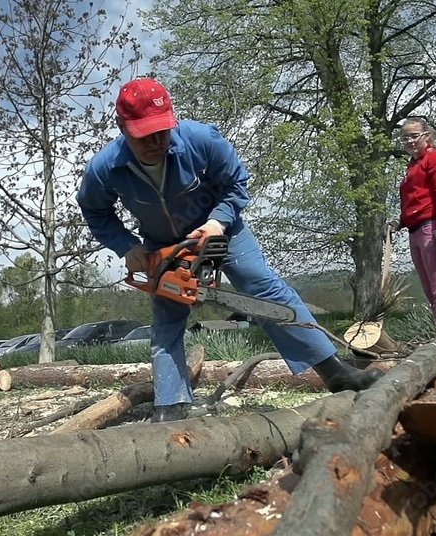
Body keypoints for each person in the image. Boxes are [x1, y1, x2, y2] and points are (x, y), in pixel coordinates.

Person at [77, 77, 384, 422]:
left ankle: (335, 371)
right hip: (164, 244)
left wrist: (217, 222)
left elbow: (236, 183)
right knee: (167, 318)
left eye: (161, 131)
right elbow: (95, 211)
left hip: (222, 229)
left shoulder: (201, 140)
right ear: (123, 127)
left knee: (261, 285)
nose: (156, 142)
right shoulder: (105, 168)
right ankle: (171, 404)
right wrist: (126, 246)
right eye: (144, 135)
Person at [388, 117, 436, 330]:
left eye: (414, 136)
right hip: (416, 231)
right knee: (431, 292)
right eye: (405, 138)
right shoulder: (413, 166)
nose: (410, 141)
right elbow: (417, 200)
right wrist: (400, 221)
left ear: (427, 136)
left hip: (433, 227)